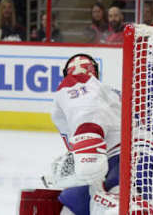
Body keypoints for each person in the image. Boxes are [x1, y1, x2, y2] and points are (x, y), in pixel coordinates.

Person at [44, 54, 121, 214]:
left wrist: (88, 156)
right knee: (74, 201)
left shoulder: (77, 85)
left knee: (79, 204)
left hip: (118, 162)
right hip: (133, 163)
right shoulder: (112, 93)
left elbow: (88, 116)